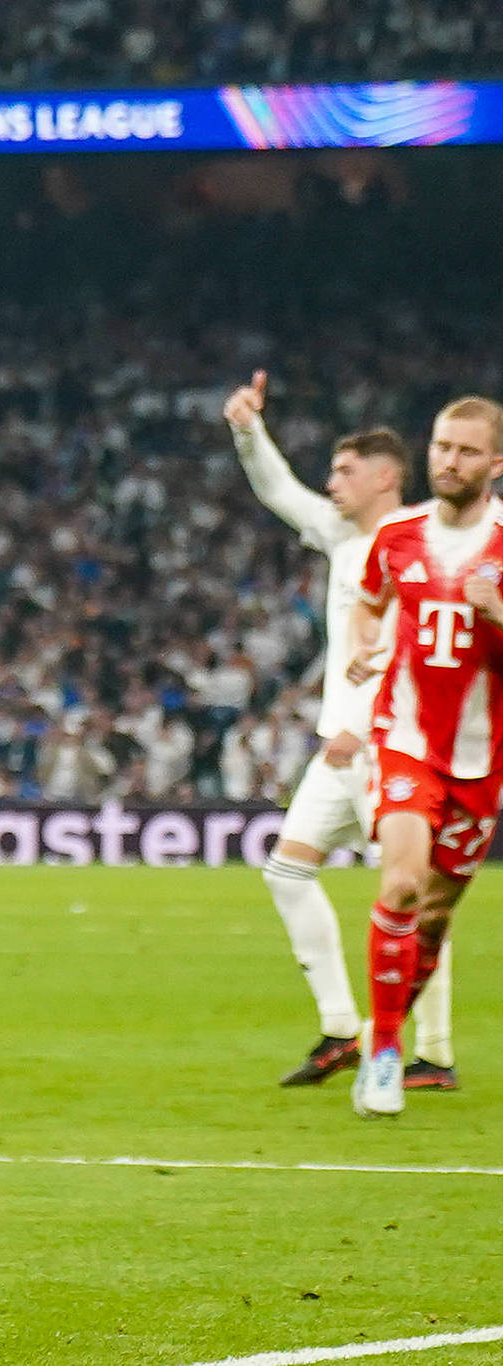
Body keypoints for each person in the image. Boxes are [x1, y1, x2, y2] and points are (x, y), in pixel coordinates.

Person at [222, 373, 457, 1087]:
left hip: (389, 745)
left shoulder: (420, 541)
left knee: (407, 893)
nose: (331, 482)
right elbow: (278, 489)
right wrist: (247, 429)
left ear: (387, 477)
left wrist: (360, 724)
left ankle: (433, 1053)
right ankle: (340, 1031)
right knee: (287, 870)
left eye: (346, 470)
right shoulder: (340, 535)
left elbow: (414, 650)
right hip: (342, 748)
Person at [347, 395, 503, 1118]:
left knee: (433, 920)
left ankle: (391, 1031)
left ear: (495, 465)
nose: (449, 460)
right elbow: (368, 601)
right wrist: (359, 646)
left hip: (481, 761)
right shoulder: (397, 534)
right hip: (406, 740)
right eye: (442, 446)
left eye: (467, 451)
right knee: (402, 884)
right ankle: (381, 1055)